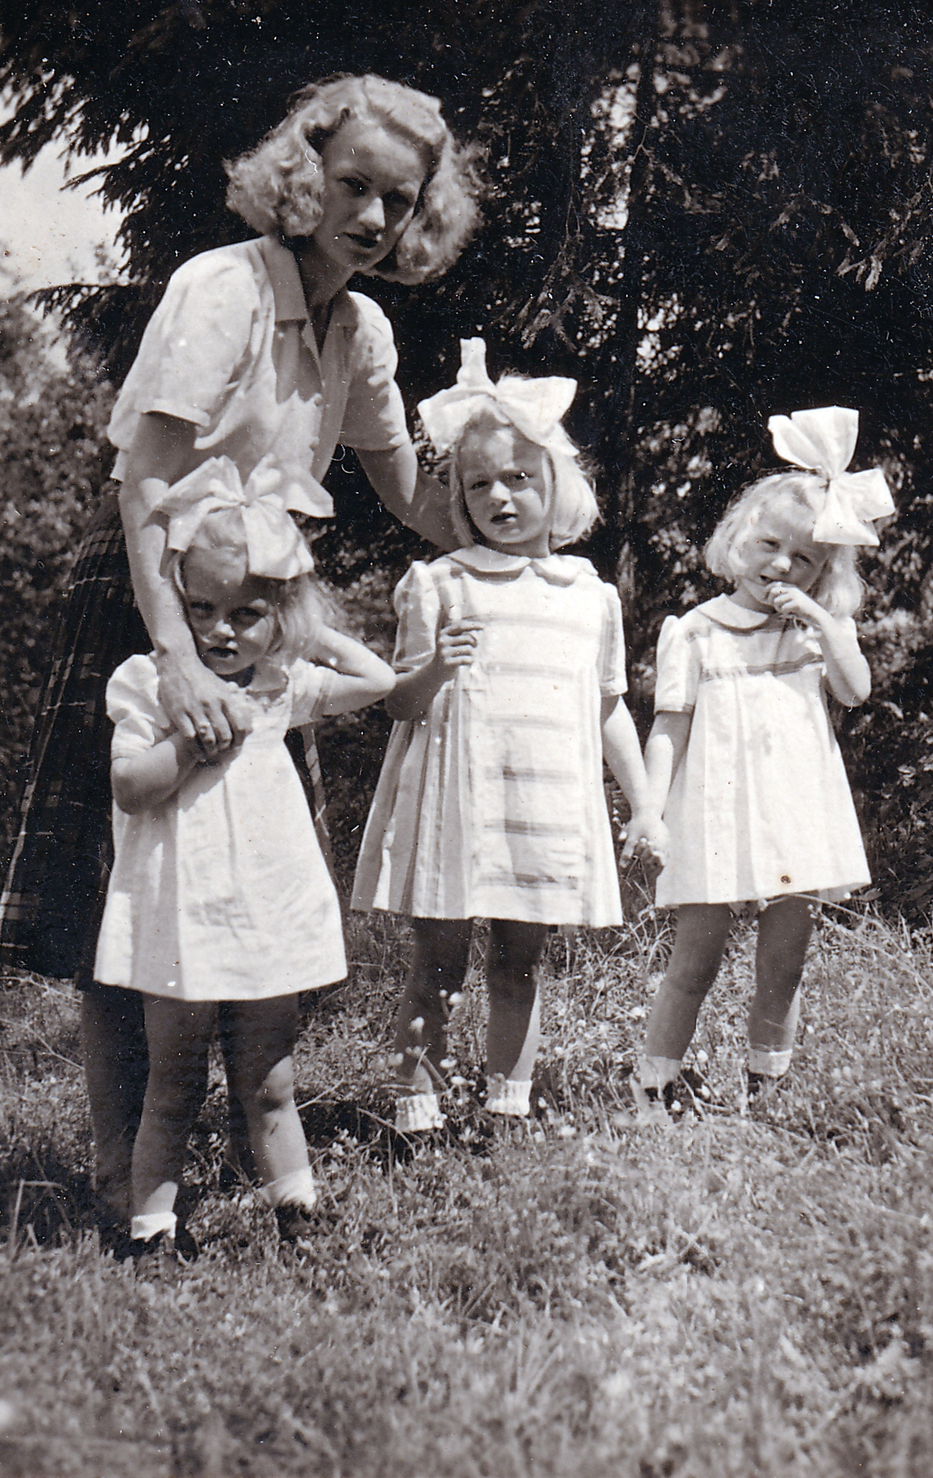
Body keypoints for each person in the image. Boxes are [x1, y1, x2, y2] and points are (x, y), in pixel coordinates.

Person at [0, 74, 483, 1229]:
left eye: (398, 202)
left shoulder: (362, 327)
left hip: (263, 617)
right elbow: (145, 478)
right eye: (352, 185)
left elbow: (409, 493)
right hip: (155, 598)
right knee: (131, 896)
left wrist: (510, 495)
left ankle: (237, 1152)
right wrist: (173, 659)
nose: (371, 218)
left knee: (237, 889)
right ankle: (125, 1176)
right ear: (303, 175)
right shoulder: (221, 289)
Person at [95, 456, 395, 1264]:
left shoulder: (279, 685)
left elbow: (376, 677)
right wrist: (191, 746)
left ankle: (299, 1217)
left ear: (278, 618)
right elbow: (129, 786)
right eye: (201, 609)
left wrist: (300, 627)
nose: (221, 630)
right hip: (183, 920)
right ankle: (151, 1233)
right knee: (173, 1085)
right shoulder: (150, 685)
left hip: (262, 914)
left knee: (271, 1080)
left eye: (246, 613)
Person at [351, 339, 653, 1130]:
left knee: (522, 960)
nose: (501, 497)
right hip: (462, 806)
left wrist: (645, 807)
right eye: (480, 482)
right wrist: (431, 673)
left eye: (520, 478)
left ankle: (506, 1109)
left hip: (543, 809)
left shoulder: (588, 596)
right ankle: (416, 1111)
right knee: (439, 960)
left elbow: (608, 708)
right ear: (459, 496)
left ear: (557, 484)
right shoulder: (439, 584)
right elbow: (399, 707)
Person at [626, 405, 894, 1117]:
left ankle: (766, 1086)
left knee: (786, 961)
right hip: (715, 809)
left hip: (794, 811)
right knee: (697, 959)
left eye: (803, 559)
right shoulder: (693, 632)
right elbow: (668, 728)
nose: (781, 565)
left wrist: (824, 622)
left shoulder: (816, 634)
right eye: (770, 545)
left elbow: (856, 691)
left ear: (822, 571)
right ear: (738, 538)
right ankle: (655, 1087)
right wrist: (650, 808)